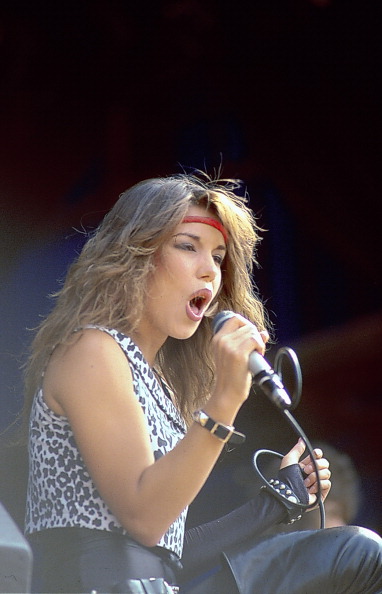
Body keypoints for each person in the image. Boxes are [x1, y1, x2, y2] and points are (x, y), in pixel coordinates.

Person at [23, 173, 382, 594]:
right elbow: (144, 519)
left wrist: (275, 504)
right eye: (188, 246)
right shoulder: (93, 350)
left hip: (153, 586)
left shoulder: (157, 383)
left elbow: (167, 553)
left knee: (358, 554)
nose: (209, 271)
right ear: (136, 255)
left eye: (218, 256)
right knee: (354, 553)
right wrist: (227, 397)